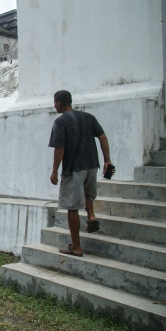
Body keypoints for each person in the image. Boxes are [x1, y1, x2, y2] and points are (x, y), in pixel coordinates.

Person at [48, 90, 114, 257]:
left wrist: (55, 171)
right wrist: (107, 160)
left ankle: (76, 247)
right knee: (88, 195)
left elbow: (60, 149)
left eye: (55, 102)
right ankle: (91, 216)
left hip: (73, 168)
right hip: (92, 165)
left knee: (72, 206)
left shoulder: (60, 122)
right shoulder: (88, 117)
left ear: (59, 103)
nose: (54, 105)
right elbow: (103, 137)